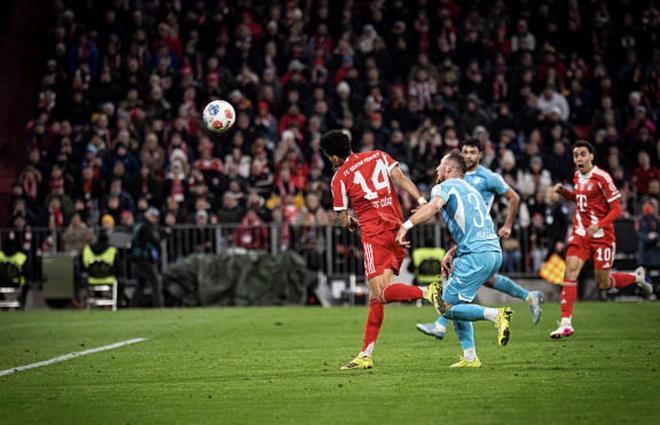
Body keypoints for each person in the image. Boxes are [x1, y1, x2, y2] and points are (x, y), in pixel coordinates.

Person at [321, 130, 431, 371]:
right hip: (397, 229)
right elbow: (400, 178)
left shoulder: (339, 177)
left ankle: (428, 292)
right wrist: (421, 201)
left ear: (334, 157)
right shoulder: (378, 155)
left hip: (375, 234)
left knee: (381, 293)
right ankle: (366, 354)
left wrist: (351, 222)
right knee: (376, 297)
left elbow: (343, 219)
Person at [416, 138, 543, 339]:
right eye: (465, 151)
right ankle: (528, 296)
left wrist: (508, 225)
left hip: (480, 236)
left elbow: (514, 197)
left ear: (480, 155)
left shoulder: (488, 177)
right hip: (465, 236)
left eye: (472, 152)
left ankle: (442, 324)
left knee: (454, 289)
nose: (468, 156)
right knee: (487, 280)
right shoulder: (458, 177)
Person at [396, 152, 513, 368]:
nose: (436, 169)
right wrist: (453, 251)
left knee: (445, 307)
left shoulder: (444, 187)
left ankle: (496, 315)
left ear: (449, 168)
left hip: (475, 255)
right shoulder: (473, 191)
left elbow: (433, 207)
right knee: (458, 304)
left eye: (440, 165)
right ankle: (470, 357)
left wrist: (405, 226)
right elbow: (477, 228)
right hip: (492, 252)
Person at [548, 141, 653, 339]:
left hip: (602, 236)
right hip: (581, 234)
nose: (578, 158)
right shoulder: (577, 176)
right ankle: (565, 323)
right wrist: (564, 193)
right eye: (576, 155)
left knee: (603, 283)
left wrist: (599, 225)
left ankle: (637, 277)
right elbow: (580, 199)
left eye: (582, 154)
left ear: (591, 156)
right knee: (570, 271)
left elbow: (617, 209)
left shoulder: (602, 178)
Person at [130, 207, 164, 307]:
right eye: (153, 216)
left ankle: (134, 305)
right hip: (143, 258)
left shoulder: (139, 226)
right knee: (155, 281)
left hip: (138, 257)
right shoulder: (145, 227)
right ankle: (158, 305)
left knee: (141, 283)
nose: (155, 219)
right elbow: (154, 241)